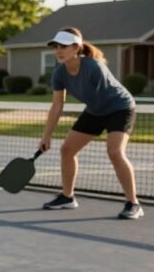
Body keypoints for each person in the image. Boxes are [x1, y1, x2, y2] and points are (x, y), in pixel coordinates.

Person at [39, 27, 143, 219]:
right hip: (96, 109)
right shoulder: (59, 73)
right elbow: (57, 105)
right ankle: (67, 197)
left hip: (119, 107)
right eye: (56, 46)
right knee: (67, 150)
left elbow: (101, 98)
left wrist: (94, 123)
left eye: (64, 46)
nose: (58, 50)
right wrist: (46, 135)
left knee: (115, 152)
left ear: (76, 47)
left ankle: (133, 203)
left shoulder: (93, 67)